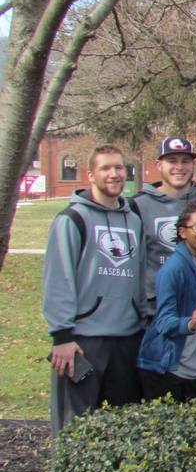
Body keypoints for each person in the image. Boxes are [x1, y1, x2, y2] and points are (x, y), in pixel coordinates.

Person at [43, 144, 146, 435]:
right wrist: (62, 336)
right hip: (83, 341)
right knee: (73, 428)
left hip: (126, 339)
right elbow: (58, 279)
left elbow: (137, 277)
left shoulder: (134, 220)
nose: (114, 174)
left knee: (121, 430)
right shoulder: (72, 219)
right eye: (105, 168)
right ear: (90, 174)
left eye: (118, 167)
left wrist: (140, 324)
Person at [136, 201, 196, 404]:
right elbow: (164, 322)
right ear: (183, 232)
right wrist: (190, 323)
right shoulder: (173, 269)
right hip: (167, 369)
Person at [130, 137, 196, 316]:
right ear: (159, 165)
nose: (179, 167)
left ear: (193, 165)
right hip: (156, 308)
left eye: (185, 161)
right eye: (172, 161)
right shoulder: (137, 205)